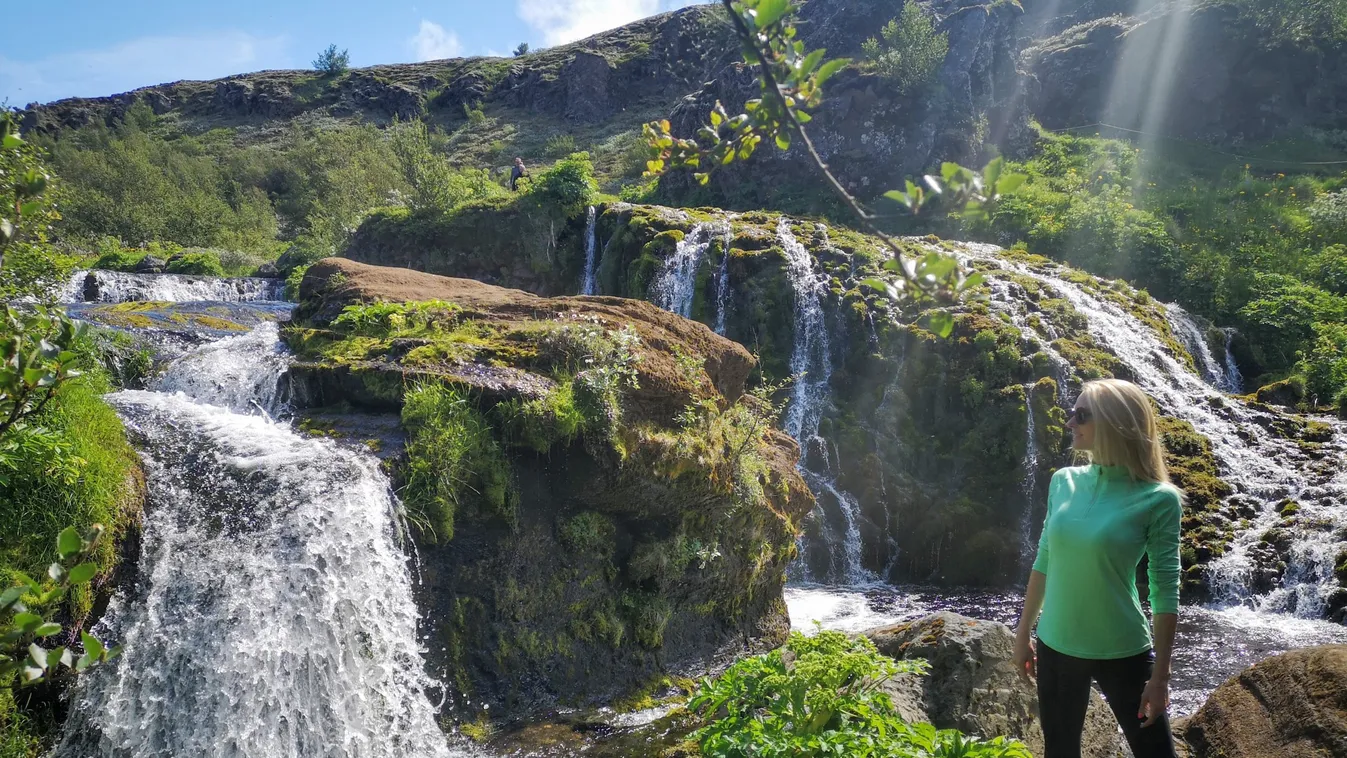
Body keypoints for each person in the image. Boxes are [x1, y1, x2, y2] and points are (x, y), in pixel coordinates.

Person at [1012, 378, 1182, 758]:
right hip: (1055, 644)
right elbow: (1045, 560)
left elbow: (1165, 591)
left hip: (1123, 649)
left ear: (1115, 423)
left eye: (1082, 415)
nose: (1070, 422)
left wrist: (1160, 677)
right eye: (1072, 414)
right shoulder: (1063, 482)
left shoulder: (1159, 499)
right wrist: (1023, 633)